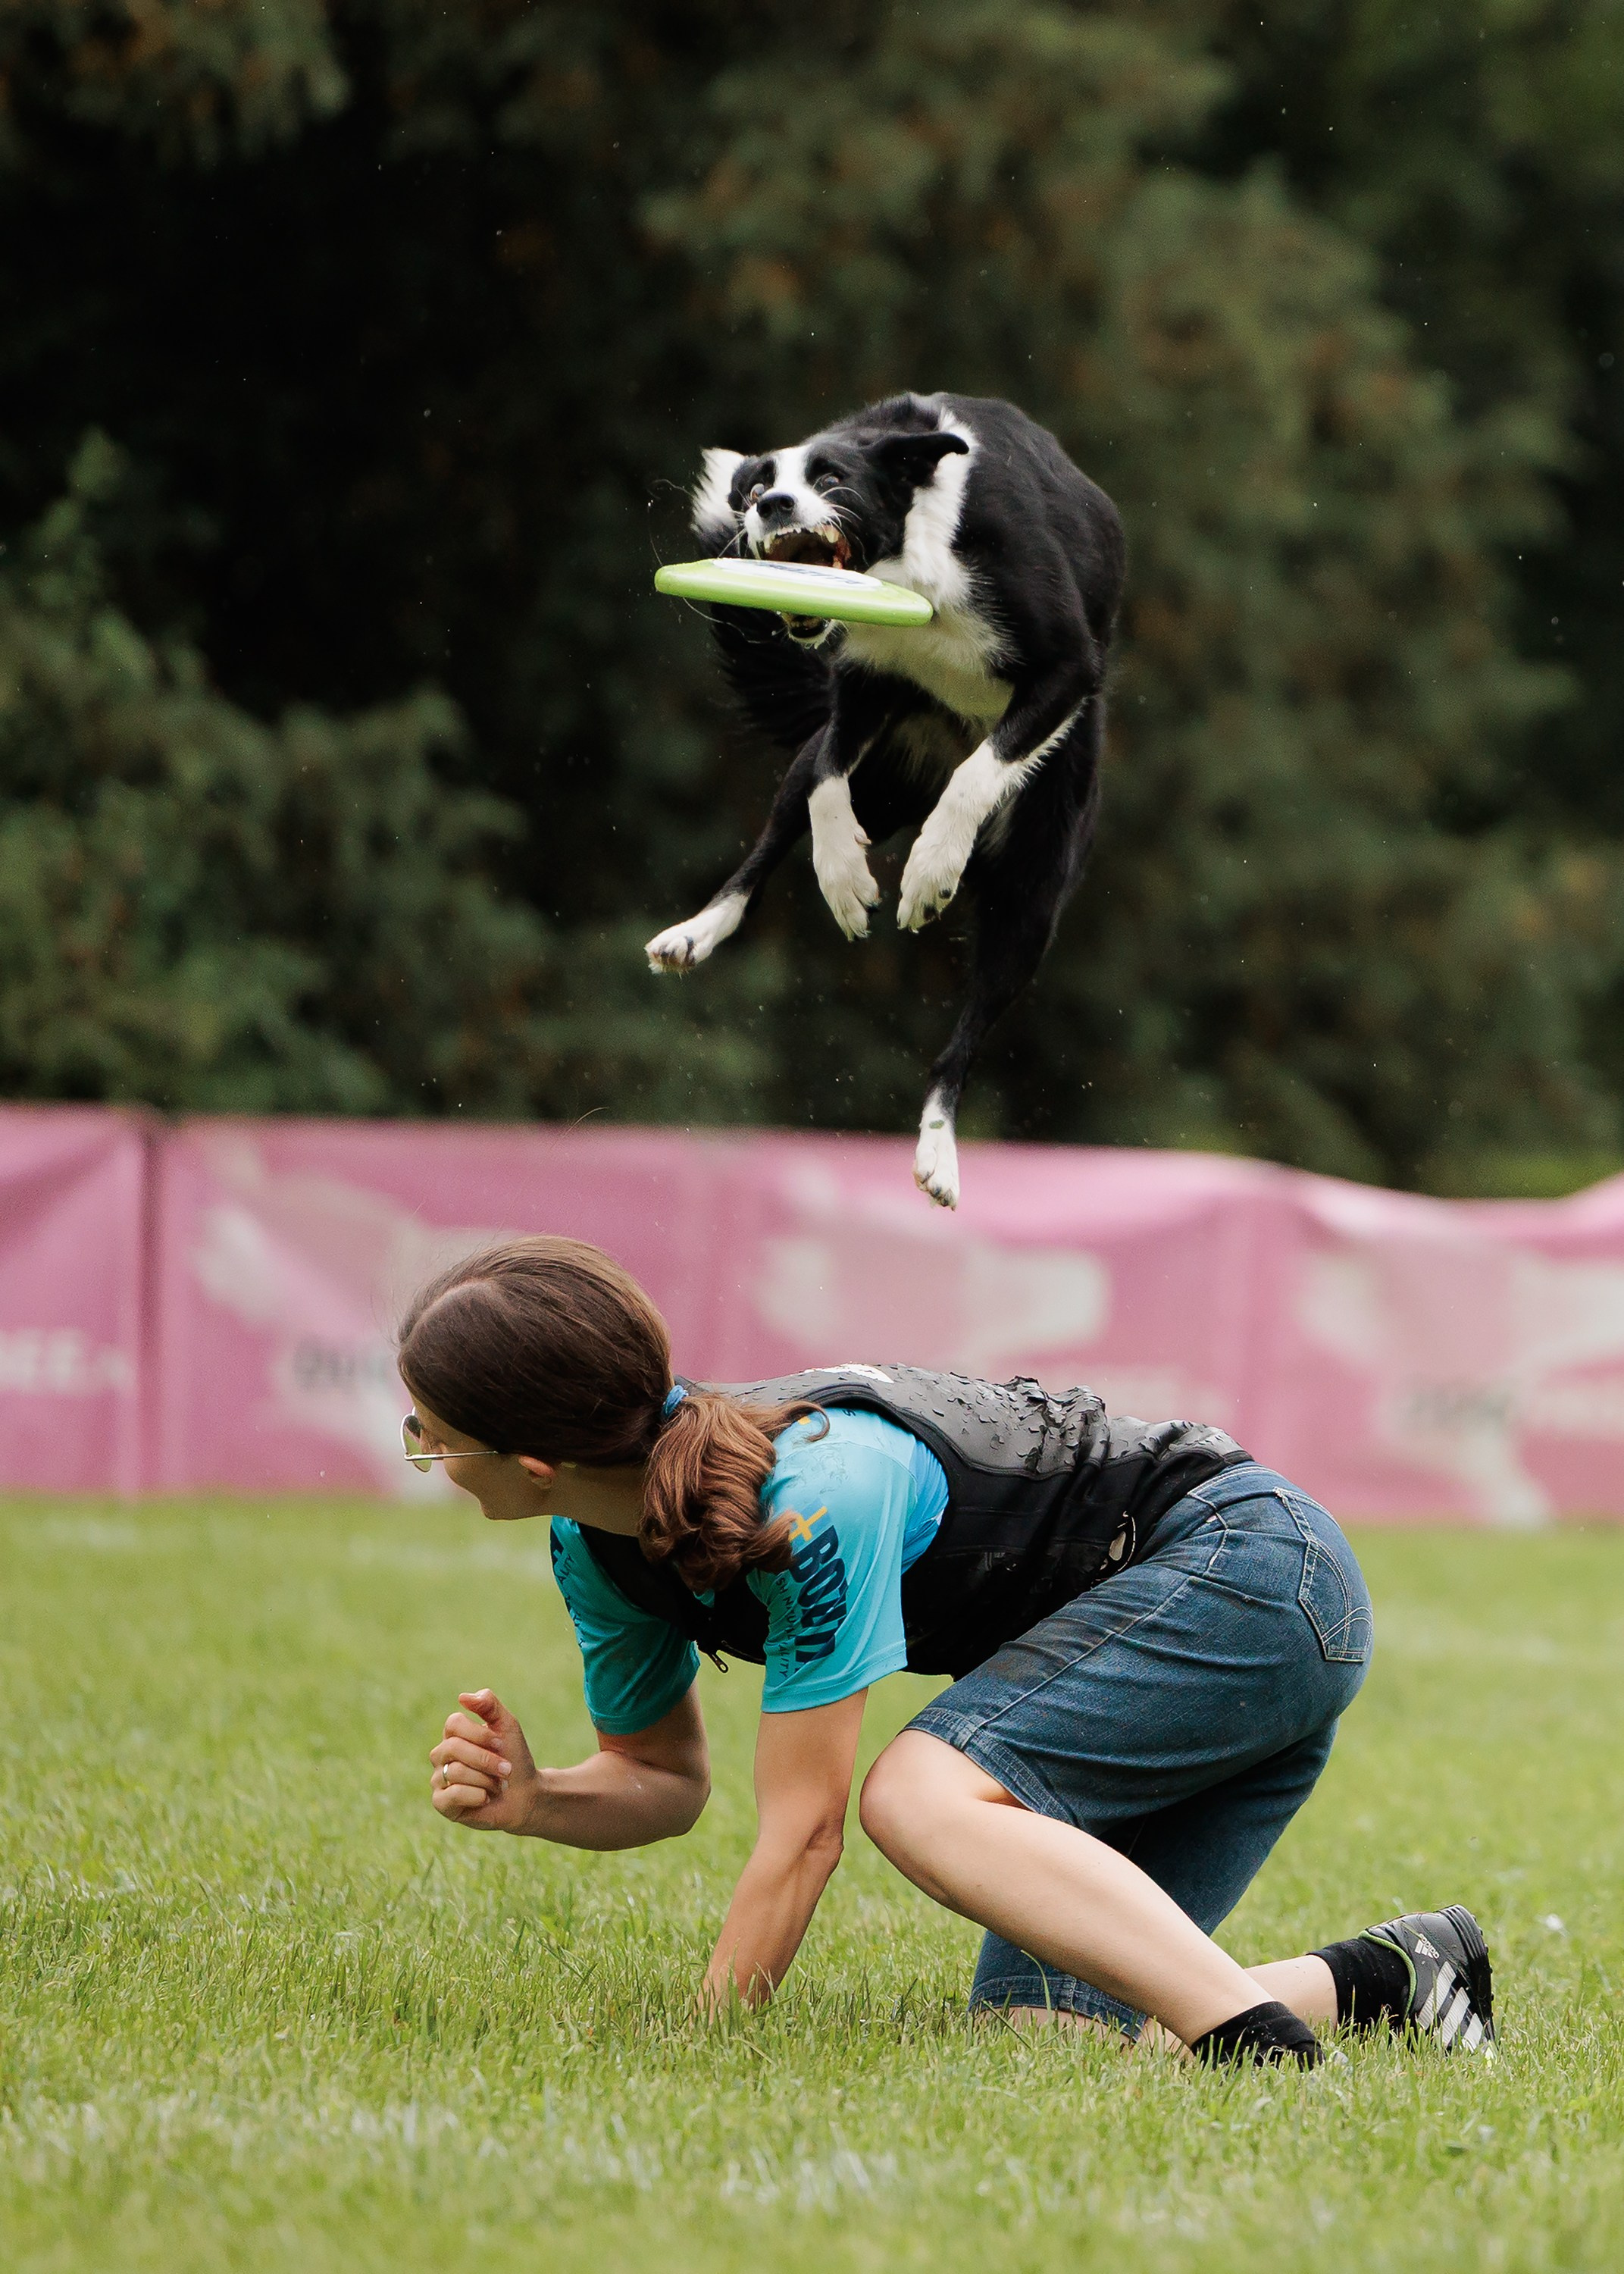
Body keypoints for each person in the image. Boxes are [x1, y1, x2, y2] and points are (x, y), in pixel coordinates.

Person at [398, 1235, 1494, 2067]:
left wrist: (704, 2046)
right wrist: (539, 1799)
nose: (424, 1453)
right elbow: (660, 1781)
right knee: (1037, 2042)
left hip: (1253, 1576)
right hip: (1189, 1642)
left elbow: (805, 1831)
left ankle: (1264, 2059)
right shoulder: (594, 1547)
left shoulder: (815, 1494)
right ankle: (1387, 1979)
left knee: (913, 1795)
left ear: (531, 1460)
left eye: (428, 1434)